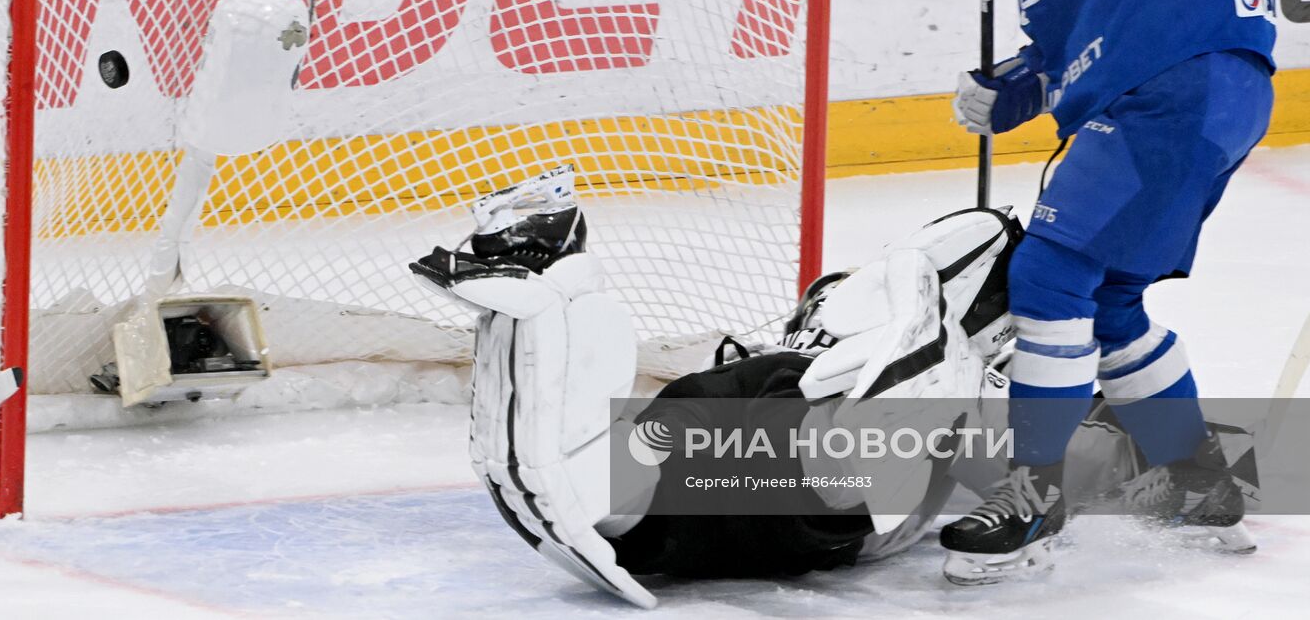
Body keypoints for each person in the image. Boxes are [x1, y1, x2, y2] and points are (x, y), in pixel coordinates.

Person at [408, 167, 1203, 604]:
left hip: (807, 474)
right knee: (658, 477)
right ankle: (543, 300)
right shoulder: (962, 297)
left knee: (647, 480)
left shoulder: (992, 347)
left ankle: (542, 290)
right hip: (782, 461)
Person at [942, 0, 1276, 583]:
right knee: (1108, 298)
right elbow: (1072, 48)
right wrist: (1010, 86)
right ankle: (1202, 483)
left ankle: (1032, 492)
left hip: (1179, 78)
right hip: (1197, 83)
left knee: (1048, 271)